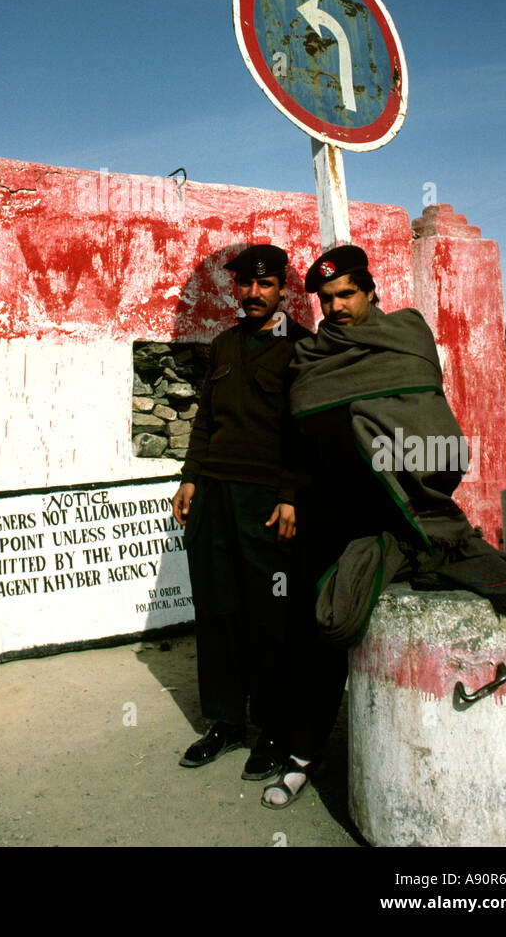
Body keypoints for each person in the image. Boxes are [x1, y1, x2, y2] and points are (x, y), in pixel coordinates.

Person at [260, 243, 506, 810]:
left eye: (347, 293)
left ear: (371, 291)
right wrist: (290, 496)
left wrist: (409, 477)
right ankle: (302, 752)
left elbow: (432, 427)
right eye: (327, 299)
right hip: (325, 511)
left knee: (366, 613)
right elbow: (295, 439)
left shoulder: (403, 338)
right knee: (310, 629)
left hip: (394, 507)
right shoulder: (309, 358)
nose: (337, 306)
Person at [171, 243, 310, 782]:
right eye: (246, 285)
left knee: (269, 616)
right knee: (218, 608)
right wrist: (189, 477)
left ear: (282, 290)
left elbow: (305, 433)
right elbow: (206, 418)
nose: (254, 294)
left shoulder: (301, 347)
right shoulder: (225, 344)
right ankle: (225, 723)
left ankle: (272, 731)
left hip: (266, 503)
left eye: (266, 285)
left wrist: (291, 494)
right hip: (214, 497)